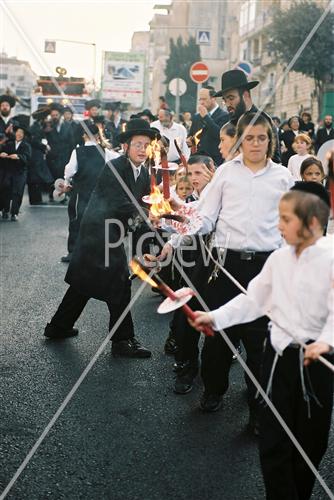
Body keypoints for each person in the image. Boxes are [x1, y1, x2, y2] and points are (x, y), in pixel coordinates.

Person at [191, 182, 333, 500]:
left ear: (312, 222)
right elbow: (252, 300)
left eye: (285, 218)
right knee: (274, 438)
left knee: (311, 441)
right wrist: (214, 317)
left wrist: (325, 341)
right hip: (278, 359)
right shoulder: (278, 259)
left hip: (318, 364)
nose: (277, 225)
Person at [159, 113, 294, 430]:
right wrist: (175, 239)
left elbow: (291, 225)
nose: (256, 143)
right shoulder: (224, 176)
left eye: (262, 137)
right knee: (219, 336)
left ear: (270, 140)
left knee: (262, 344)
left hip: (266, 268)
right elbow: (204, 218)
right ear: (241, 140)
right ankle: (213, 391)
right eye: (250, 137)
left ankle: (258, 408)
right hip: (224, 266)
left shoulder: (283, 177)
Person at [44, 119, 159, 358]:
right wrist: (148, 214)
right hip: (98, 233)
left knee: (83, 283)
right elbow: (120, 202)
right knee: (120, 283)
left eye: (146, 145)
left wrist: (147, 241)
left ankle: (58, 327)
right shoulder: (115, 166)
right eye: (137, 144)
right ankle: (122, 340)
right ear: (126, 146)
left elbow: (145, 209)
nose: (142, 149)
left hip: (112, 233)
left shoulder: (145, 173)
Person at [60, 122, 119, 263]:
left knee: (76, 222)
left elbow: (69, 171)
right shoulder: (106, 152)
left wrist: (67, 183)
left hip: (80, 193)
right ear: (98, 135)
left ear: (84, 136)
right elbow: (119, 161)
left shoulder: (77, 151)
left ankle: (73, 253)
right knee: (97, 222)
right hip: (99, 195)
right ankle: (94, 253)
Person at [215, 69, 281, 163]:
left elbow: (274, 159)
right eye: (225, 100)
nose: (227, 104)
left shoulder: (263, 121)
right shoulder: (229, 123)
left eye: (231, 98)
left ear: (245, 96)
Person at [188, 86, 229, 165]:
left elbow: (219, 134)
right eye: (200, 99)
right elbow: (191, 135)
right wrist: (189, 140)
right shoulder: (197, 117)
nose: (201, 102)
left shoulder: (224, 115)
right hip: (197, 159)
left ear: (213, 98)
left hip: (215, 161)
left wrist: (206, 117)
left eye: (204, 99)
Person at [0, 122, 31, 220]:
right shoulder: (9, 144)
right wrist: (3, 154)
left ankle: (14, 213)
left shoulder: (26, 145)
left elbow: (27, 157)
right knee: (5, 189)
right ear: (15, 133)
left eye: (21, 133)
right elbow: (3, 151)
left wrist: (18, 156)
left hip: (20, 172)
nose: (19, 134)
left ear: (24, 135)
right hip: (9, 171)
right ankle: (5, 210)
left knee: (17, 192)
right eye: (17, 132)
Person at [27, 106, 54, 205]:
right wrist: (44, 146)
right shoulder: (35, 128)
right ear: (42, 118)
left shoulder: (37, 127)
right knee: (35, 177)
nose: (48, 119)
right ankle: (35, 199)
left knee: (36, 177)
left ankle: (36, 199)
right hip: (35, 155)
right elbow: (34, 141)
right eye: (46, 118)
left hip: (37, 154)